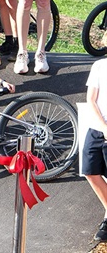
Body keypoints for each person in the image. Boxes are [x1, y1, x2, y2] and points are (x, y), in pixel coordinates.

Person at [82, 58, 107, 242]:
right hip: (96, 129)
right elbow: (91, 99)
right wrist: (103, 126)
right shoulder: (99, 65)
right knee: (90, 172)